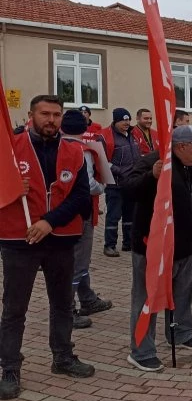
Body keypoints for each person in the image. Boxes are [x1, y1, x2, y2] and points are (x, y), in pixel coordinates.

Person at [0, 95, 96, 400]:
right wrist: (9, 188)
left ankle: (63, 357)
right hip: (19, 239)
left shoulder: (74, 151)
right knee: (15, 308)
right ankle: (9, 368)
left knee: (63, 303)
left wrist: (49, 222)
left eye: (56, 114)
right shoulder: (9, 149)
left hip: (60, 238)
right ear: (31, 115)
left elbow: (81, 197)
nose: (51, 120)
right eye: (45, 114)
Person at [123, 125, 192, 372]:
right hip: (152, 247)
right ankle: (141, 351)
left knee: (183, 295)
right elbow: (128, 189)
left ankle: (181, 333)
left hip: (187, 247)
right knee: (147, 299)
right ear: (181, 147)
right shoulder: (153, 162)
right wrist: (151, 176)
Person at [60, 111, 112, 329]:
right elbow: (89, 184)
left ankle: (87, 298)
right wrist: (102, 187)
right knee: (79, 262)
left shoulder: (55, 146)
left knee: (76, 260)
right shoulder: (84, 151)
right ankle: (68, 310)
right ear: (85, 128)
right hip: (81, 212)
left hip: (59, 212)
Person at [100, 108, 140, 257]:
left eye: (128, 119)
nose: (127, 122)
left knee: (130, 215)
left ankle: (128, 243)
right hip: (115, 184)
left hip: (131, 183)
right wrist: (119, 171)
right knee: (113, 216)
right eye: (123, 120)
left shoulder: (133, 135)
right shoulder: (105, 137)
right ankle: (109, 245)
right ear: (115, 121)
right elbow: (102, 160)